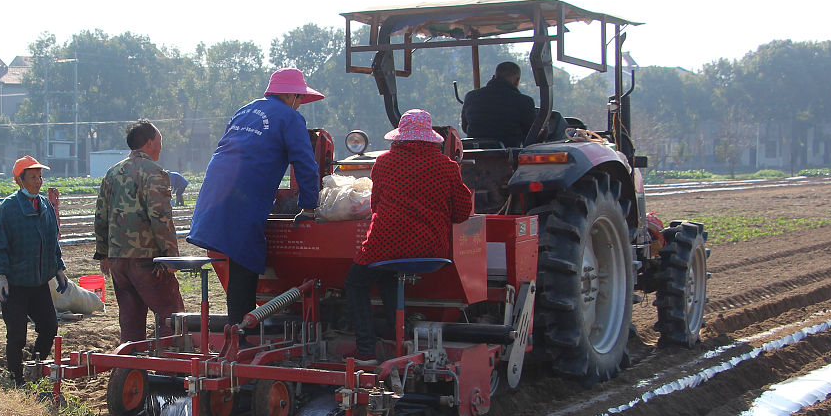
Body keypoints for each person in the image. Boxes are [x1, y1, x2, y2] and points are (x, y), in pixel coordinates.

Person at [188, 67, 323, 324]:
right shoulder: (290, 117)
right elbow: (305, 163)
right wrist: (309, 206)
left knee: (238, 258)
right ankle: (240, 332)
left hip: (214, 192)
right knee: (247, 257)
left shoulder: (245, 110)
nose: (299, 105)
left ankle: (239, 326)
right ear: (292, 96)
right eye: (300, 100)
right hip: (244, 195)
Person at [346, 109, 473, 364]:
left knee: (356, 282)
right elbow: (461, 213)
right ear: (430, 138)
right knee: (389, 276)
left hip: (385, 244)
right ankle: (400, 338)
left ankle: (366, 350)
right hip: (431, 249)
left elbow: (375, 206)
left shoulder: (383, 163)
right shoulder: (447, 167)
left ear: (399, 138)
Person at [94, 120, 185, 343]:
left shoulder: (112, 173)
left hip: (119, 261)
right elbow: (161, 218)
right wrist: (171, 258)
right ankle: (171, 368)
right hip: (147, 260)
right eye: (160, 140)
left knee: (131, 322)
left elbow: (100, 216)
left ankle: (131, 370)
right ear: (150, 142)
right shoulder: (154, 172)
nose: (162, 146)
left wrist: (104, 253)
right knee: (171, 316)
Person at [0, 155, 68, 384]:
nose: (37, 181)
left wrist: (59, 269)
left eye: (39, 176)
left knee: (50, 326)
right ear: (19, 181)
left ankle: (35, 365)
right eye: (32, 177)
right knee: (17, 334)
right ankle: (15, 377)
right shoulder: (8, 209)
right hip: (16, 283)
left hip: (39, 282)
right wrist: (1, 276)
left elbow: (53, 243)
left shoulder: (45, 206)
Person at [460, 61, 568, 147]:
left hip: (474, 154)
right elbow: (532, 134)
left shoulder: (471, 96)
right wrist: (544, 131)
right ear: (517, 81)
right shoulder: (524, 102)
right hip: (507, 158)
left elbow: (465, 127)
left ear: (494, 77)